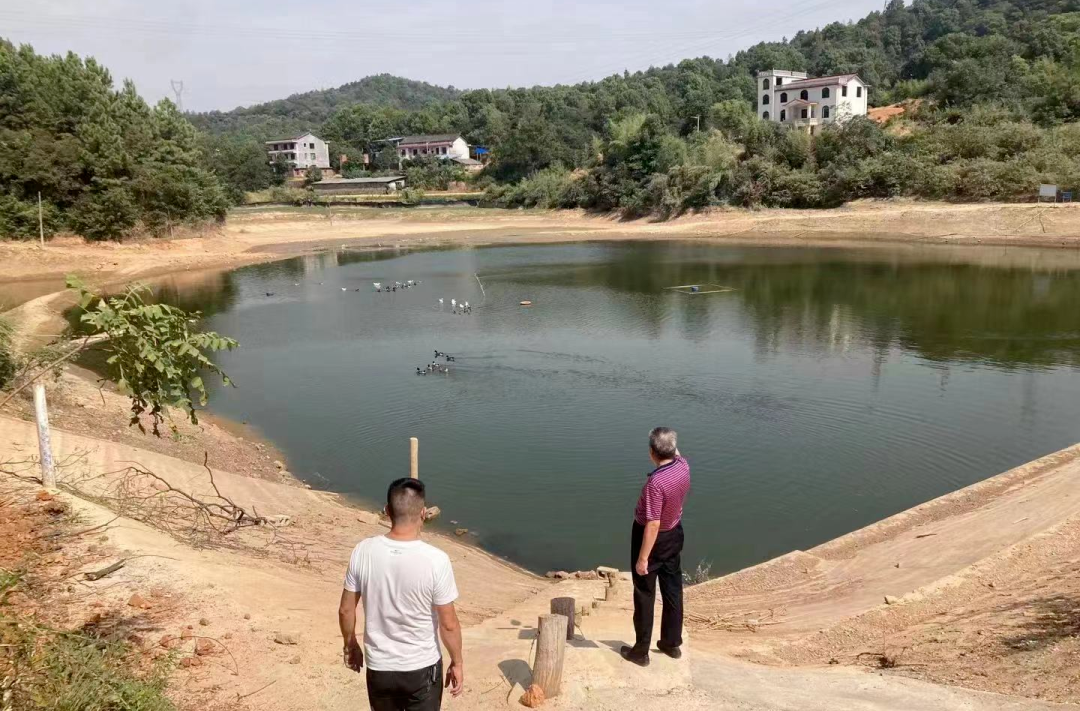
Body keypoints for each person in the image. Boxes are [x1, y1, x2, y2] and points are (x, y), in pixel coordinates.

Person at [338, 478, 464, 710]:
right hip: (422, 667)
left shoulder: (363, 551)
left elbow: (346, 609)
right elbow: (448, 624)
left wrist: (350, 645)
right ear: (424, 513)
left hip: (380, 667)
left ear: (387, 511)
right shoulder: (436, 560)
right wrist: (457, 662)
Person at [621, 427, 691, 667]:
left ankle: (640, 652)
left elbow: (652, 523)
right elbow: (675, 451)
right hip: (674, 534)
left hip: (652, 538)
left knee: (645, 593)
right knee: (672, 590)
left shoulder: (656, 483)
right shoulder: (683, 467)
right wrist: (668, 442)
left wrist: (643, 559)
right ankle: (671, 643)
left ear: (652, 452)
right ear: (673, 449)